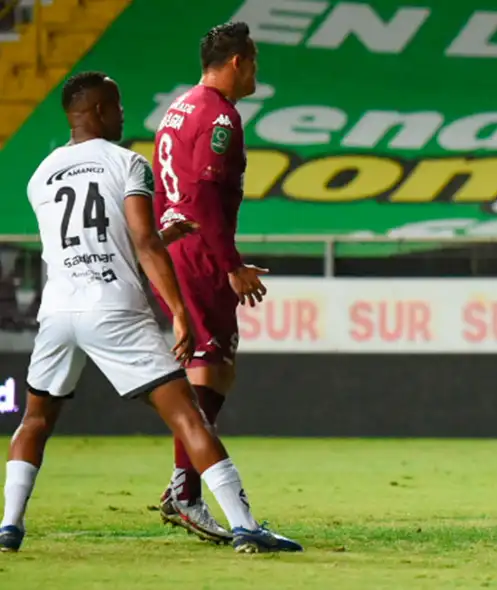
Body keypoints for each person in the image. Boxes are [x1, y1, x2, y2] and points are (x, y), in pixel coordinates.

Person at [0, 72, 301, 553]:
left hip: (57, 312)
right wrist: (179, 311)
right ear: (97, 110)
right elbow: (139, 241)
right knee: (189, 417)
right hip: (113, 309)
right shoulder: (128, 164)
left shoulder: (42, 174)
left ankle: (9, 526)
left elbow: (90, 240)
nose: (122, 114)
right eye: (116, 105)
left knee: (35, 420)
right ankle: (245, 526)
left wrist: (172, 236)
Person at [151, 21, 269, 543]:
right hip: (199, 252)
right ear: (238, 61)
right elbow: (201, 198)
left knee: (219, 368)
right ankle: (186, 491)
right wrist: (230, 263)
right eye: (255, 61)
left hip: (180, 246)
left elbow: (169, 190)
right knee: (206, 362)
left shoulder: (180, 107)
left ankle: (185, 485)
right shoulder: (220, 118)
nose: (257, 72)